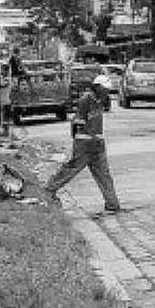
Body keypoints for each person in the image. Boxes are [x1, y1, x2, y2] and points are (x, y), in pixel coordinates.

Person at [45, 77, 121, 214]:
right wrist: (80, 140)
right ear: (97, 87)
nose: (107, 92)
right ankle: (49, 190)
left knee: (104, 175)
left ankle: (112, 204)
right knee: (71, 170)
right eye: (105, 89)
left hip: (97, 144)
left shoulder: (100, 101)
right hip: (85, 145)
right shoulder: (86, 100)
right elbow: (77, 123)